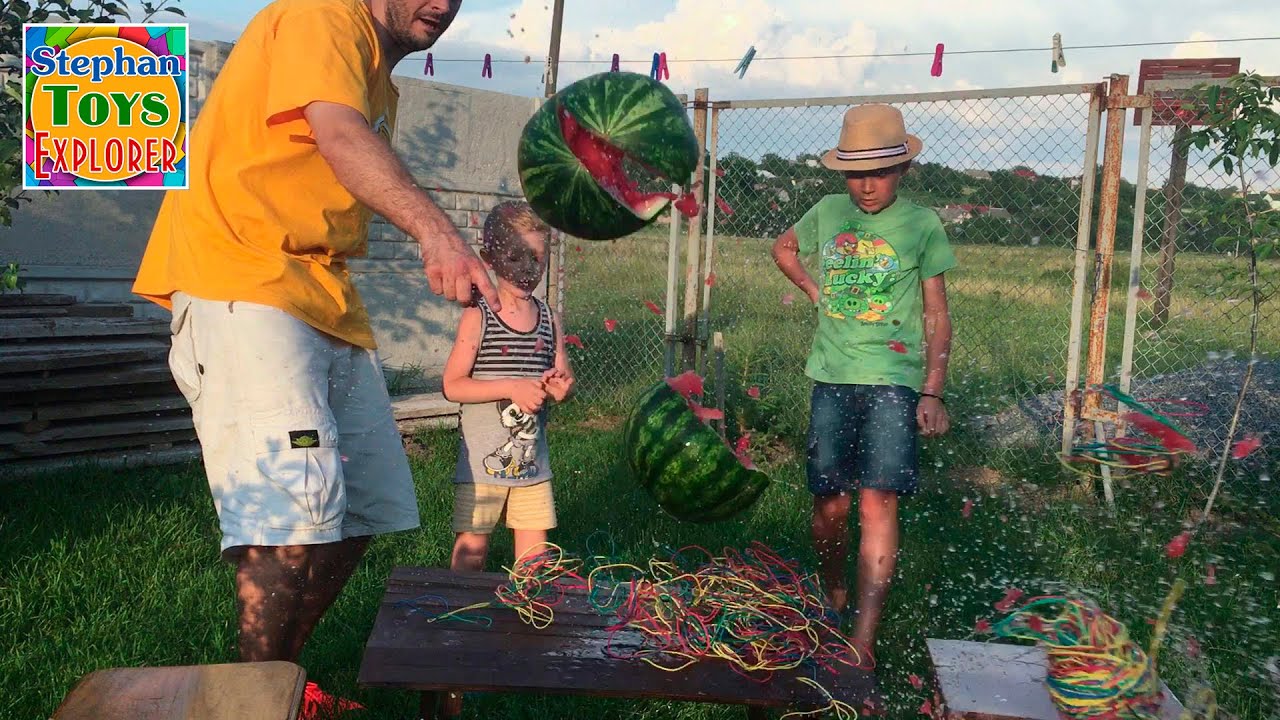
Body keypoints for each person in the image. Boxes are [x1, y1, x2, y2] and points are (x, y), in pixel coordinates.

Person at [131, 0, 496, 714]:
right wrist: (437, 232)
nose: (443, 3)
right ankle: (254, 707)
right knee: (288, 518)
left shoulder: (377, 70)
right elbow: (338, 133)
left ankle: (279, 688)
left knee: (368, 508)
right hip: (244, 281)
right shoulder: (321, 15)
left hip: (320, 293)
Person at [770, 104, 957, 659]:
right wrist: (812, 289)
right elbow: (783, 249)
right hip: (831, 376)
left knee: (878, 502)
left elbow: (937, 313)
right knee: (830, 504)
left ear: (904, 170)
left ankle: (863, 638)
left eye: (878, 172)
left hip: (893, 381)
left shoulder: (922, 225)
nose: (867, 185)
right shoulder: (827, 211)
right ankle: (833, 592)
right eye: (855, 173)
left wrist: (933, 388)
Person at [442, 202, 574, 573]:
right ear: (489, 258)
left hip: (533, 467)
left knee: (535, 559)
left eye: (537, 257)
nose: (528, 269)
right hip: (482, 467)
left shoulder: (549, 318)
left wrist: (561, 389)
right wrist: (512, 387)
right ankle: (461, 617)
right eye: (515, 258)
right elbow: (453, 385)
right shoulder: (478, 315)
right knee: (472, 551)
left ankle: (529, 621)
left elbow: (563, 377)